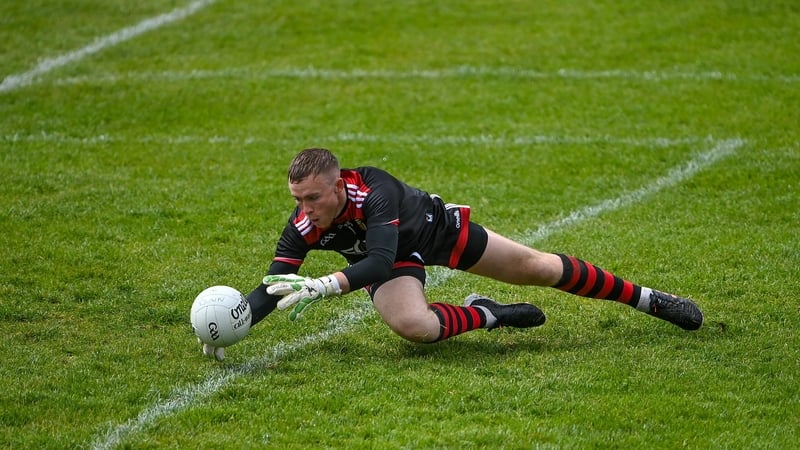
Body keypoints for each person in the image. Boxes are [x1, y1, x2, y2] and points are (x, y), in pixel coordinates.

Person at [201, 148, 703, 361]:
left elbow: (374, 260)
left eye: (313, 198)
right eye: (296, 200)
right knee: (415, 328)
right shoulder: (303, 227)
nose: (305, 209)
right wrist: (236, 323)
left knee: (540, 268)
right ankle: (485, 313)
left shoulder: (373, 189)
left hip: (432, 232)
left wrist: (327, 283)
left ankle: (649, 299)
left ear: (338, 184)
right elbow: (275, 286)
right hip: (394, 258)